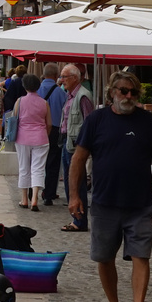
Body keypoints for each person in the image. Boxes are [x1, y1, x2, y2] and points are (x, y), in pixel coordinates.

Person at [68, 71, 152, 302]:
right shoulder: (96, 120)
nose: (129, 96)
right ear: (112, 92)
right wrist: (74, 195)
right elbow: (78, 159)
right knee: (104, 258)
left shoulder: (148, 122)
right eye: (123, 91)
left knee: (141, 255)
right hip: (105, 201)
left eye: (134, 92)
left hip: (140, 203)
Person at [59, 64, 97, 232]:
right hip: (68, 143)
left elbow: (89, 122)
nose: (61, 80)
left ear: (75, 78)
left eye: (64, 77)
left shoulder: (83, 96)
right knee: (70, 183)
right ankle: (76, 218)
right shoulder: (71, 95)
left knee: (76, 183)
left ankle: (79, 221)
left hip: (76, 147)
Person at [14, 80, 50, 210]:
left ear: (25, 86)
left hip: (23, 137)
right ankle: (35, 199)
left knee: (24, 167)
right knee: (38, 169)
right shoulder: (44, 103)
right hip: (41, 138)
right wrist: (44, 133)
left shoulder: (20, 101)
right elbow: (49, 123)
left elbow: (14, 118)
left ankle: (24, 199)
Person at [43, 68, 68, 206]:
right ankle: (49, 193)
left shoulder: (36, 91)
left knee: (36, 163)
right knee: (53, 162)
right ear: (55, 76)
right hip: (56, 130)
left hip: (38, 130)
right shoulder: (61, 93)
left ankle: (31, 192)